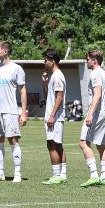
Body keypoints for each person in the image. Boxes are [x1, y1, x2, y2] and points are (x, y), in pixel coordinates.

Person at [0, 41, 27, 182]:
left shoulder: (17, 69)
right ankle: (0, 172)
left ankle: (17, 173)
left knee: (13, 140)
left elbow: (23, 90)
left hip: (10, 111)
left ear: (5, 51)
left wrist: (24, 112)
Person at [79, 49, 105, 187]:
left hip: (98, 112)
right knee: (101, 145)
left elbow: (97, 94)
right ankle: (104, 177)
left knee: (83, 142)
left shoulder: (95, 73)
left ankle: (94, 175)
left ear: (94, 60)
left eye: (87, 59)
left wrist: (90, 114)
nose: (86, 61)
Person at [41, 49, 68, 185]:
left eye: (46, 60)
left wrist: (52, 116)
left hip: (55, 117)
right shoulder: (54, 76)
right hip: (54, 116)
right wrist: (45, 83)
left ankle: (56, 175)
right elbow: (49, 97)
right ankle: (62, 175)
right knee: (57, 145)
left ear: (52, 60)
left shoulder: (57, 76)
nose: (44, 62)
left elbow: (59, 96)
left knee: (52, 145)